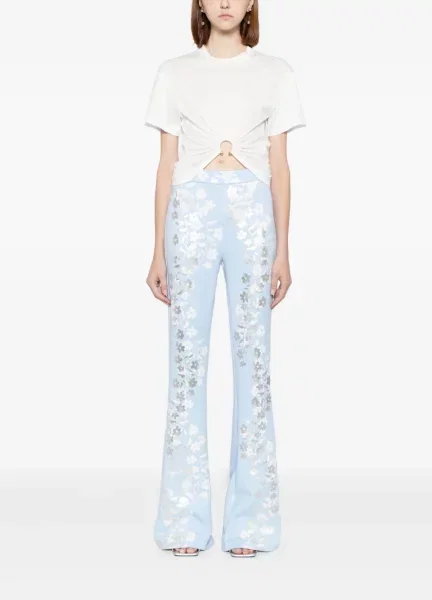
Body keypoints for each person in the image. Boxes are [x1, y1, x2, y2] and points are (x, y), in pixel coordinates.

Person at [144, 0, 306, 558]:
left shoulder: (275, 72)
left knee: (253, 367)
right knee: (186, 367)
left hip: (251, 215)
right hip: (190, 214)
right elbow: (165, 168)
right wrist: (157, 250)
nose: (226, 2)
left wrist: (284, 249)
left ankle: (252, 522)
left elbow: (280, 167)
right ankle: (182, 521)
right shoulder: (174, 72)